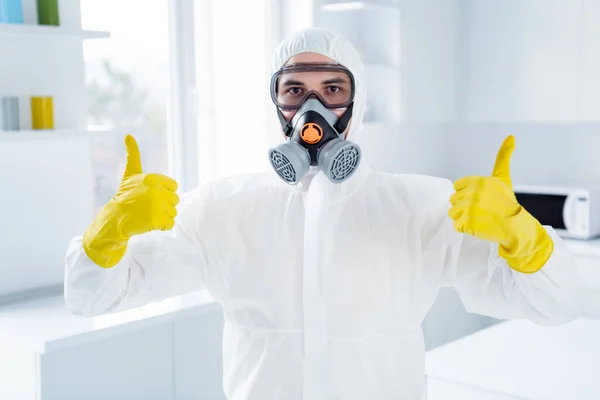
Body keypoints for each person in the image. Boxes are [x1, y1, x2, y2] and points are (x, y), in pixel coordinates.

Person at [64, 27, 579, 400]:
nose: (313, 112)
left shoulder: (419, 206)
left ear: (357, 102)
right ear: (276, 102)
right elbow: (91, 297)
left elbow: (556, 305)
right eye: (295, 91)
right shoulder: (223, 209)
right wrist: (108, 232)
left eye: (333, 89)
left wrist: (521, 234)